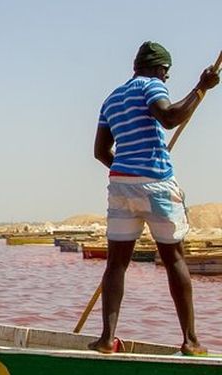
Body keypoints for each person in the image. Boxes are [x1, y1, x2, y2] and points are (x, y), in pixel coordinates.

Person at [90, 41, 219, 355]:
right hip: (156, 183)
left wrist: (127, 169)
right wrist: (201, 88)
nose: (166, 79)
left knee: (116, 264)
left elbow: (99, 152)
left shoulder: (112, 98)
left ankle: (107, 339)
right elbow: (169, 116)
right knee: (174, 258)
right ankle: (190, 341)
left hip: (120, 186)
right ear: (160, 69)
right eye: (167, 73)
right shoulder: (151, 87)